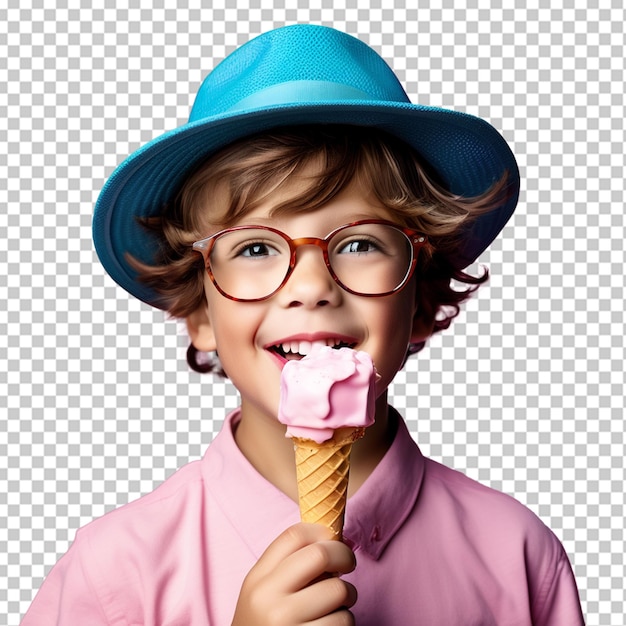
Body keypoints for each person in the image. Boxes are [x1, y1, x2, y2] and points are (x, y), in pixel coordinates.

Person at [21, 24, 584, 625]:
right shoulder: (113, 571)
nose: (313, 287)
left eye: (362, 243)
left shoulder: (517, 555)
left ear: (418, 299)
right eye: (256, 248)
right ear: (197, 311)